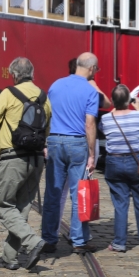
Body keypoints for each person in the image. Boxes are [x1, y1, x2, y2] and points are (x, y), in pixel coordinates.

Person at [0, 57, 52, 270]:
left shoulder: (8, 94)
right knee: (21, 208)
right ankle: (8, 257)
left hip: (13, 159)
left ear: (14, 75)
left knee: (3, 205)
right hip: (36, 159)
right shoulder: (43, 98)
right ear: (32, 73)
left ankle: (32, 241)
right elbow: (46, 130)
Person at [42, 52, 103, 254]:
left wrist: (46, 142)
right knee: (79, 194)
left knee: (53, 192)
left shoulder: (55, 85)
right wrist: (92, 154)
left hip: (55, 141)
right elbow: (90, 124)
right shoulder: (90, 91)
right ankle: (78, 240)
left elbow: (47, 115)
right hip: (77, 144)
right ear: (92, 69)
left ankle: (49, 238)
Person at [98, 84, 139, 253]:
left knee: (120, 204)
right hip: (138, 162)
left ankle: (119, 242)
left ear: (114, 101)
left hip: (114, 163)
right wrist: (138, 108)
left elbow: (103, 131)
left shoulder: (106, 119)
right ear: (128, 100)